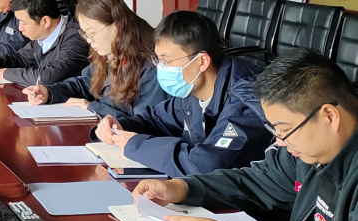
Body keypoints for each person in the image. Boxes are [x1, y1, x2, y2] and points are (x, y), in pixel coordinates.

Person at [133, 49, 358, 221]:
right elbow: (257, 181)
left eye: (285, 130)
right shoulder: (308, 151)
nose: (280, 142)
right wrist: (183, 188)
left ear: (329, 116)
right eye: (275, 131)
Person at [94, 11, 271, 177]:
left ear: (202, 61)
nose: (161, 68)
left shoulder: (245, 101)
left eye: (166, 61)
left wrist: (136, 145)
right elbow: (156, 120)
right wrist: (119, 126)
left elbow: (205, 165)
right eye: (158, 60)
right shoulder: (192, 88)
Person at [23, 0, 167, 118]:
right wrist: (50, 92)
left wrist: (94, 107)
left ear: (117, 25)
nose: (88, 40)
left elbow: (145, 122)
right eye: (85, 34)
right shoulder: (109, 51)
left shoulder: (150, 65)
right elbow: (85, 82)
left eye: (92, 33)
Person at [0, 0, 89, 86]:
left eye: (23, 23)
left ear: (45, 21)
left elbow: (45, 77)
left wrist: (4, 73)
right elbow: (20, 58)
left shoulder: (76, 39)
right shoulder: (42, 36)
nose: (20, 28)